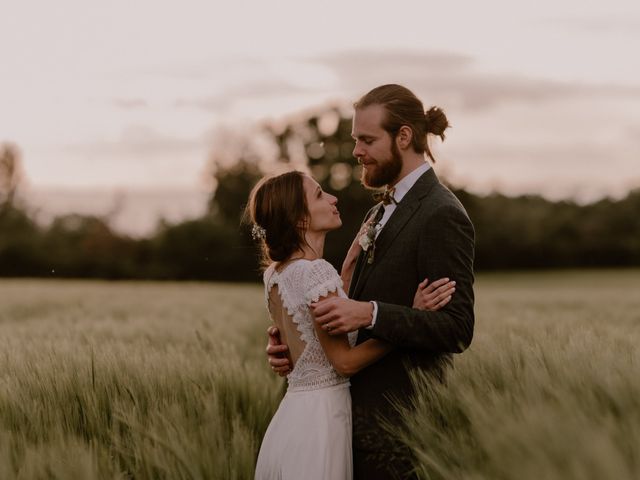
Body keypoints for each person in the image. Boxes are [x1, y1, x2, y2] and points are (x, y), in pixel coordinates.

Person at [266, 84, 475, 479]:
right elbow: (338, 307)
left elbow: (457, 328)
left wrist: (371, 314)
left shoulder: (441, 214)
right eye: (355, 139)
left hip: (397, 428)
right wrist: (299, 344)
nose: (356, 151)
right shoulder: (378, 212)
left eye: (367, 140)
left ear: (404, 137)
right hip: (346, 424)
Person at [248, 170, 455, 480]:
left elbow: (309, 336)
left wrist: (345, 271)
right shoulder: (316, 273)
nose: (333, 197)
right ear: (300, 219)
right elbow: (343, 362)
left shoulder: (275, 275)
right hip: (323, 421)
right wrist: (408, 318)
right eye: (319, 194)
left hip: (292, 418)